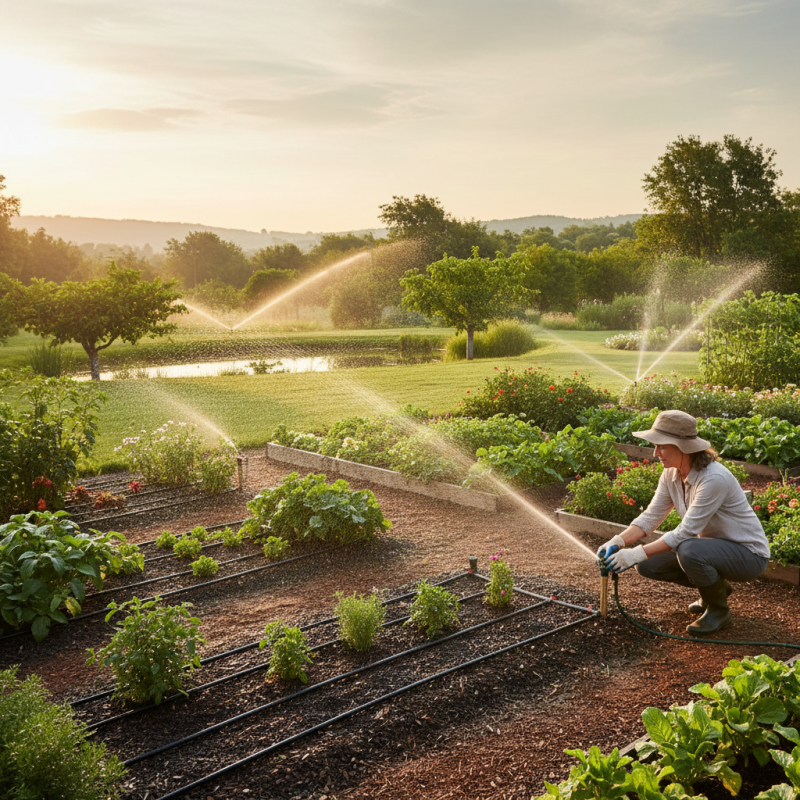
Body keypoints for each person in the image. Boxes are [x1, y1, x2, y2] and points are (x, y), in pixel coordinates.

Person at [598, 409, 770, 636]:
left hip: (748, 555)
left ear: (683, 447)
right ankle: (715, 589)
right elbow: (651, 517)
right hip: (709, 548)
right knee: (648, 564)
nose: (655, 453)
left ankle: (718, 610)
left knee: (688, 550)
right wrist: (618, 541)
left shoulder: (713, 478)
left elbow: (685, 532)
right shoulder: (671, 474)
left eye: (662, 446)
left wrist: (635, 553)